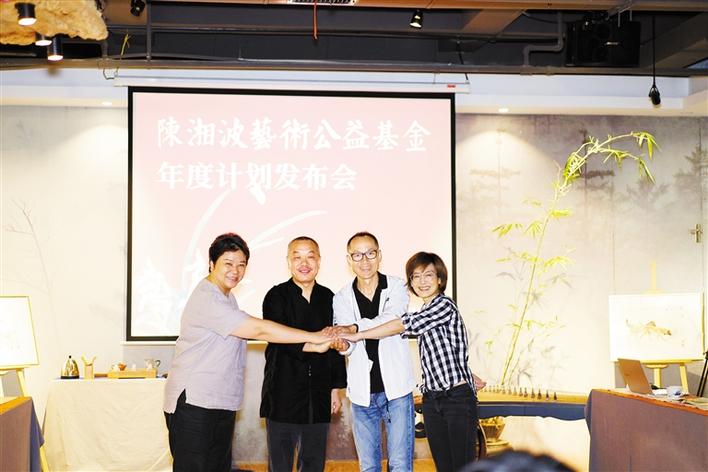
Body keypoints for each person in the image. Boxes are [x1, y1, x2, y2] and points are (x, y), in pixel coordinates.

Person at [163, 232, 333, 472]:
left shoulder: (227, 297)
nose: (235, 270)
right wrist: (314, 337)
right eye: (228, 263)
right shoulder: (207, 298)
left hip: (219, 402)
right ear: (211, 264)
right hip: (195, 403)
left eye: (241, 264)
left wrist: (316, 345)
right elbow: (259, 329)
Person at [342, 252, 483, 472]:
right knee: (444, 466)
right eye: (416, 276)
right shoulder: (426, 310)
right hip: (433, 400)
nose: (422, 281)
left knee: (463, 467)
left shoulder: (444, 306)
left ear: (440, 279)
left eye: (428, 275)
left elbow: (402, 325)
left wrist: (358, 333)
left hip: (456, 398)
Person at [259, 236, 347, 472]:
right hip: (282, 392)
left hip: (319, 395)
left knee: (314, 463)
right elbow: (278, 338)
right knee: (280, 465)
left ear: (319, 261)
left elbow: (336, 345)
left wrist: (336, 389)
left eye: (310, 256)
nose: (304, 263)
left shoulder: (330, 298)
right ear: (288, 262)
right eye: (297, 257)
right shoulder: (276, 296)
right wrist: (315, 345)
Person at [332, 231, 416, 472]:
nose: (365, 261)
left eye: (370, 253)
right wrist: (343, 344)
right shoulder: (342, 297)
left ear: (379, 255)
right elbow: (348, 343)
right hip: (362, 393)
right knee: (368, 466)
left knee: (400, 464)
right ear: (349, 260)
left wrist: (354, 329)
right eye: (357, 255)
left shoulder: (397, 287)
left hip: (396, 390)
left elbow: (393, 320)